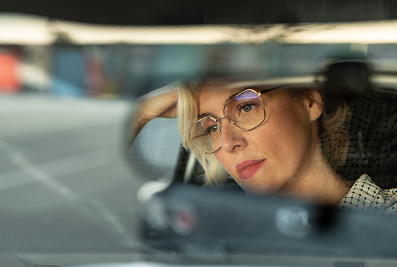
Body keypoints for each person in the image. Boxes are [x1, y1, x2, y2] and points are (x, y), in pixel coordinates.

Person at [131, 78, 397, 213]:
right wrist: (140, 114)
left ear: (310, 102)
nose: (227, 143)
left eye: (246, 107)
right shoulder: (210, 241)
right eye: (211, 127)